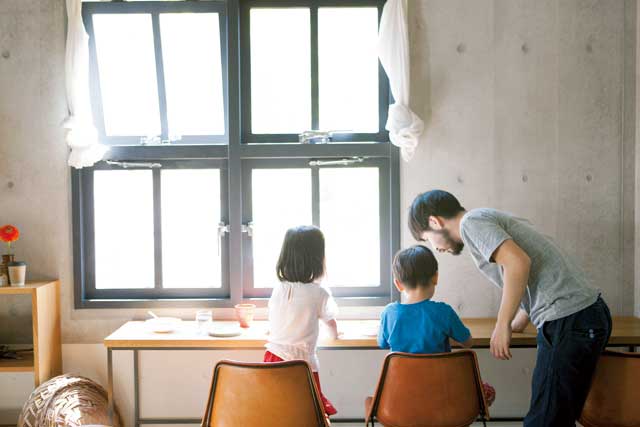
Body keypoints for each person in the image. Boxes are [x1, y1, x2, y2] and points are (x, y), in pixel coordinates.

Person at [408, 189, 611, 426]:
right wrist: (520, 321)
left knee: (545, 421)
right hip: (583, 316)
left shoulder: (471, 223)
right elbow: (532, 271)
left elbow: (518, 263)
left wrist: (502, 324)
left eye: (426, 239)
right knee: (555, 417)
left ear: (435, 221)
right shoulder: (486, 218)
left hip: (569, 318)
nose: (436, 248)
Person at [378, 244, 495, 406]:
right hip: (442, 397)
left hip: (401, 400)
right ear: (435, 277)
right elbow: (468, 342)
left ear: (398, 284)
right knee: (487, 390)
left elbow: (382, 344)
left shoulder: (388, 313)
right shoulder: (444, 312)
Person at [263, 225, 339, 416]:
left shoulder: (278, 289)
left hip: (272, 358)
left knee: (279, 411)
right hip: (300, 364)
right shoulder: (318, 293)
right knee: (307, 412)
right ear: (317, 259)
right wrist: (335, 335)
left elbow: (276, 317)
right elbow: (330, 321)